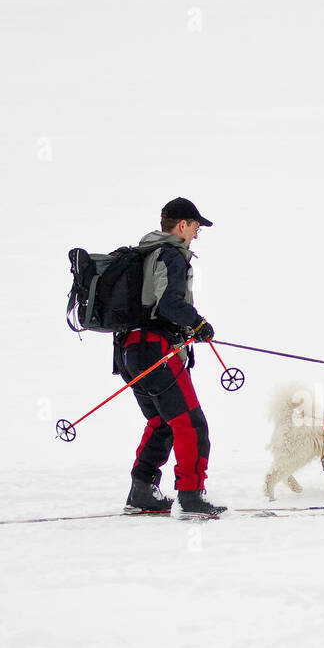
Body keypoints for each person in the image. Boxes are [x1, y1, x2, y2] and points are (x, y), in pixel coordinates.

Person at [114, 197, 226, 517]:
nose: (196, 234)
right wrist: (198, 324)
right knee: (191, 424)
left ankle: (142, 490)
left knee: (162, 421)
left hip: (128, 351)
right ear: (181, 225)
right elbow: (168, 304)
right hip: (155, 351)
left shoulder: (145, 253)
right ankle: (191, 497)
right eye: (195, 227)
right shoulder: (171, 254)